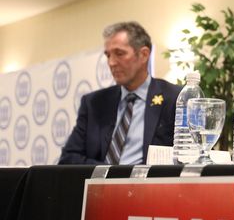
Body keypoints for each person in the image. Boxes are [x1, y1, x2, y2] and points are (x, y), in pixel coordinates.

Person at [59, 22, 181, 165]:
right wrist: (112, 174)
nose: (111, 63)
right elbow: (69, 159)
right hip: (100, 184)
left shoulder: (175, 98)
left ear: (144, 55)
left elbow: (188, 159)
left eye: (119, 53)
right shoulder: (94, 103)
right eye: (108, 55)